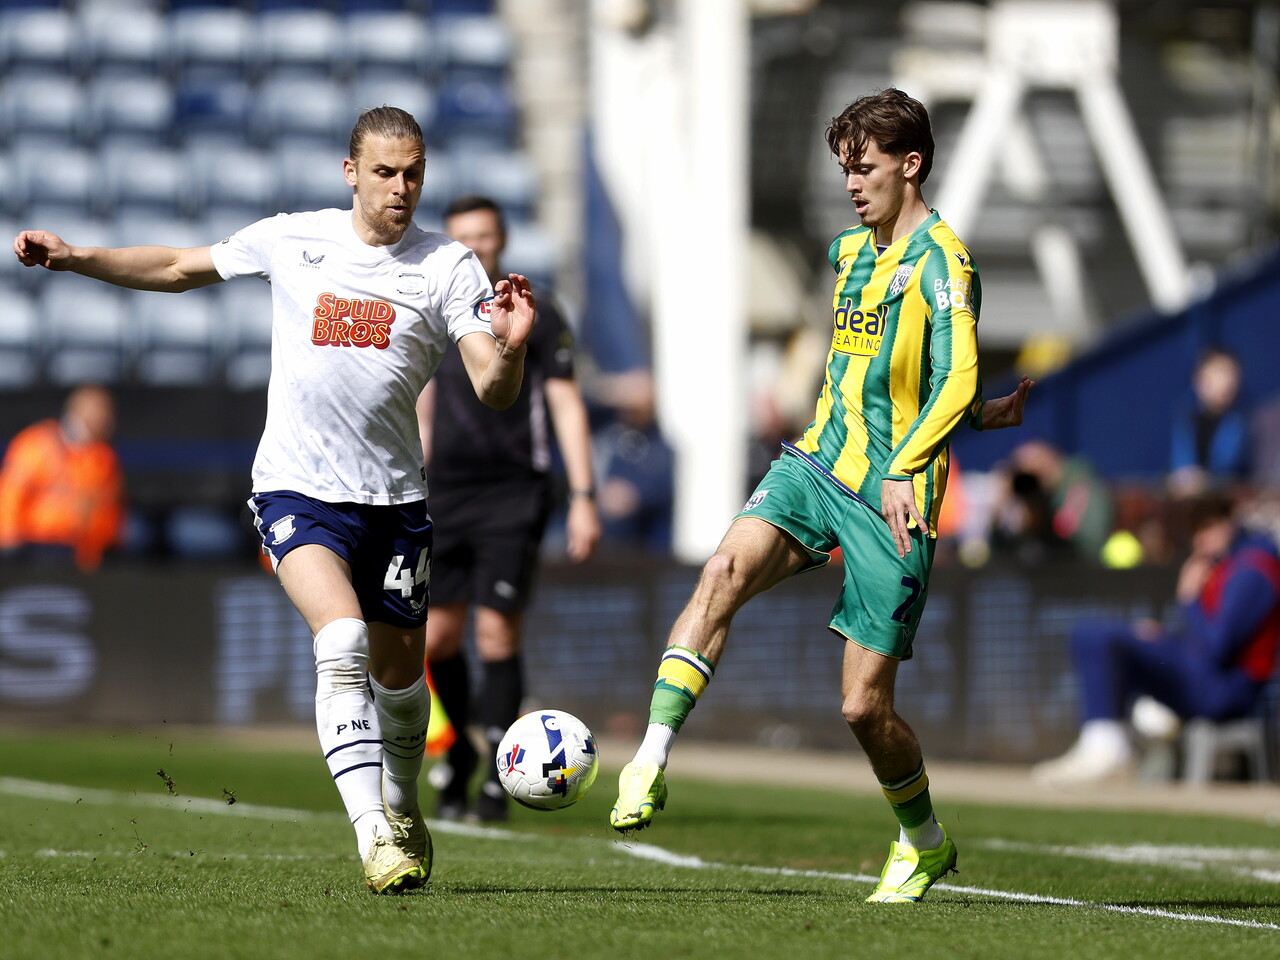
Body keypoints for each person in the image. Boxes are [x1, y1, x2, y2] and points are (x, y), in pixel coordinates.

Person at [12, 106, 536, 894]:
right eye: (386, 172)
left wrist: (514, 346)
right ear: (351, 171)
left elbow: (493, 389)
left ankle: (400, 800)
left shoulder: (449, 266)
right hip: (297, 488)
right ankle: (372, 836)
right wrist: (78, 257)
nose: (402, 188)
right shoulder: (295, 237)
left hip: (394, 502)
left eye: (414, 172)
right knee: (343, 642)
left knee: (401, 684)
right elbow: (178, 267)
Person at [606, 88, 1034, 904]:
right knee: (722, 573)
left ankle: (925, 841)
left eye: (864, 167)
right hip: (815, 464)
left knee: (861, 708)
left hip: (894, 502)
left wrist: (940, 439)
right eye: (844, 168)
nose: (851, 182)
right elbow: (888, 379)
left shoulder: (946, 264)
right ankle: (650, 759)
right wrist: (979, 417)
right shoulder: (846, 253)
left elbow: (956, 377)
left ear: (911, 165)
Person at [417, 195, 601, 822]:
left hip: (515, 490)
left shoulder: (538, 311)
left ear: (501, 241)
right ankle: (460, 755)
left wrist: (582, 496)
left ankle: (500, 773)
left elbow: (567, 404)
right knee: (437, 637)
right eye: (463, 236)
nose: (476, 246)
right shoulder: (440, 304)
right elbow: (421, 396)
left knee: (497, 631)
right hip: (445, 490)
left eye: (485, 236)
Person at [1031, 494, 1280, 786]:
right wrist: (1165, 638)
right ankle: (1110, 740)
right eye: (1196, 532)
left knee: (1099, 636)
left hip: (1224, 692)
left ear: (1230, 524)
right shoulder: (1230, 565)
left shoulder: (1252, 569)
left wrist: (1188, 601)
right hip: (1208, 677)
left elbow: (1216, 647)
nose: (1201, 540)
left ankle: (1111, 746)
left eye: (1209, 528)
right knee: (1099, 637)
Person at [0, 384, 123, 571]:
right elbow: (11, 492)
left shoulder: (103, 456)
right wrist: (9, 542)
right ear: (78, 410)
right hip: (38, 547)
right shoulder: (38, 443)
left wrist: (103, 547)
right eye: (100, 409)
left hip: (84, 554)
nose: (107, 417)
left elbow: (108, 506)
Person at [1168, 347, 1251, 498]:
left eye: (1231, 374)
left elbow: (1234, 467)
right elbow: (1180, 464)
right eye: (1218, 373)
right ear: (1198, 379)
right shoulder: (1186, 416)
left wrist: (1206, 481)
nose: (1226, 382)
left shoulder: (1243, 420)